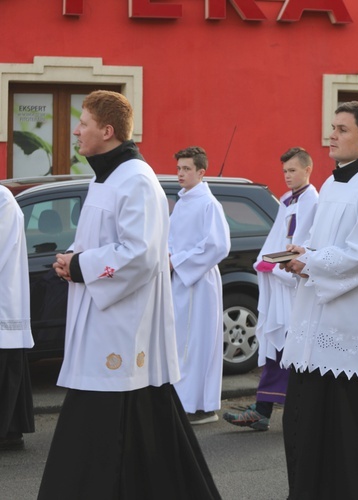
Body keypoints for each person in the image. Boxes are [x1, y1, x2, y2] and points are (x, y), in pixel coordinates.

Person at [38, 90, 221, 499]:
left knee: (114, 419)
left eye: (83, 123)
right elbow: (106, 240)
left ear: (107, 130)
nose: (76, 131)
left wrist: (81, 266)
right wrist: (73, 257)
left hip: (121, 325)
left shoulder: (136, 179)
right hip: (101, 317)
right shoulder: (105, 175)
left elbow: (140, 253)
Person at [280, 101, 358, 499]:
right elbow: (326, 244)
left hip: (351, 330)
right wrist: (303, 254)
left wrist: (313, 263)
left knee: (347, 441)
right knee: (305, 427)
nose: (331, 136)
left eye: (341, 129)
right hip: (315, 328)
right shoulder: (334, 184)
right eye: (332, 128)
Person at [223, 147, 318, 430]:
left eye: (293, 171)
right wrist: (264, 261)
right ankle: (264, 409)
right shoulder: (289, 200)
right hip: (280, 283)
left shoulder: (312, 201)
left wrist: (278, 266)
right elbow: (277, 236)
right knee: (277, 345)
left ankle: (297, 412)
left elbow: (304, 242)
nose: (287, 177)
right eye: (285, 171)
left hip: (294, 286)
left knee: (294, 347)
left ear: (307, 170)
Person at [169, 146, 231, 425]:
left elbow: (218, 245)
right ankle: (185, 400)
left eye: (186, 169)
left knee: (196, 343)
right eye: (179, 168)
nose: (180, 173)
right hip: (180, 279)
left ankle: (200, 406)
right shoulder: (183, 201)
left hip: (198, 281)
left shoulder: (208, 204)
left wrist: (178, 262)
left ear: (201, 172)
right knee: (181, 342)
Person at [0, 185, 35, 451]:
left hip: (5, 300)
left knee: (7, 369)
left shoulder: (3, 201)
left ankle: (8, 431)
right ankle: (9, 431)